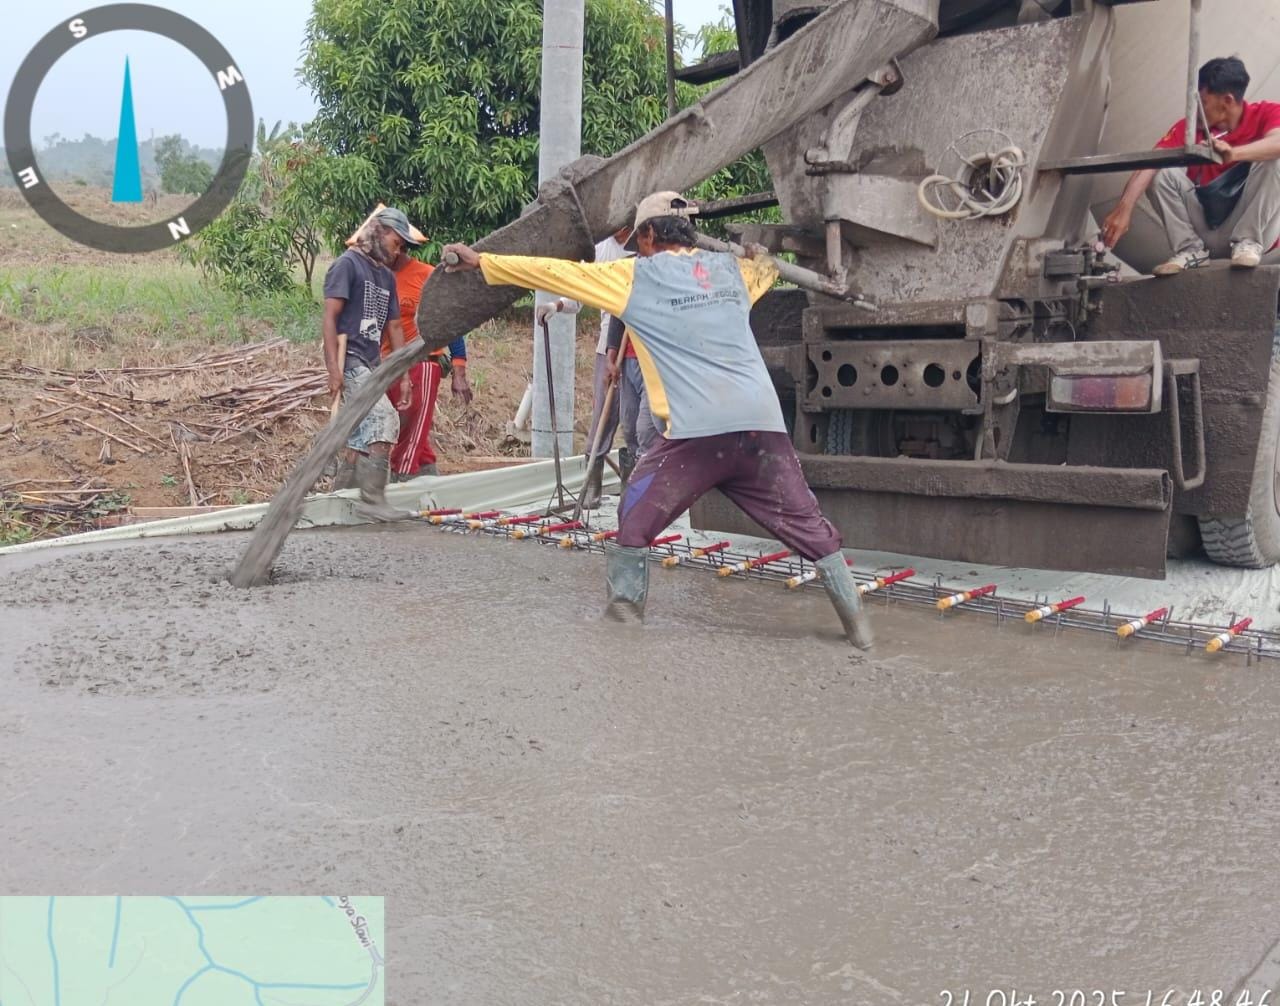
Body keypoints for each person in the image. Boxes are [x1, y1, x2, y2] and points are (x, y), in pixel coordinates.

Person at [442, 192, 873, 650]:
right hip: (761, 430)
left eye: (639, 240)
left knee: (634, 520)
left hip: (696, 436)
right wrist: (760, 258)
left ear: (647, 235)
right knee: (810, 528)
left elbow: (555, 273)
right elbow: (765, 268)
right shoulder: (734, 272)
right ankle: (860, 630)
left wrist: (481, 262)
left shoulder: (634, 276)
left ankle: (624, 628)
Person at [1101, 57, 1280, 274]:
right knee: (1160, 171)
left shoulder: (1266, 113)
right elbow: (1150, 163)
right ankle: (1190, 250)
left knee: (1274, 159)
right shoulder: (1190, 128)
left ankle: (1248, 241)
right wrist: (1124, 208)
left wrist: (1232, 154)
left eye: (1203, 102)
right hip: (1207, 231)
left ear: (1227, 100)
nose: (1198, 109)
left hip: (1254, 234)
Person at [323, 206, 415, 520]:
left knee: (358, 433)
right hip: (349, 358)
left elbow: (395, 327)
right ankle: (373, 499)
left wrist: (402, 374)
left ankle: (340, 497)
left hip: (372, 362)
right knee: (383, 419)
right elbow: (330, 317)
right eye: (396, 240)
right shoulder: (347, 265)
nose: (398, 248)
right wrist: (333, 370)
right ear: (379, 231)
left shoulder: (386, 277)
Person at [536, 226, 632, 507]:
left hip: (642, 348)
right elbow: (581, 293)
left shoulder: (644, 246)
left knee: (637, 422)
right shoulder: (600, 249)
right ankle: (592, 488)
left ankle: (634, 490)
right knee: (603, 417)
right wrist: (556, 306)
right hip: (610, 343)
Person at [385, 247, 473, 480]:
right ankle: (429, 482)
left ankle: (401, 479)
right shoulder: (377, 276)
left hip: (421, 364)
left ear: (398, 245)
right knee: (415, 436)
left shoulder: (425, 276)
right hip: (387, 366)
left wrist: (459, 371)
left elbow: (450, 323)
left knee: (411, 429)